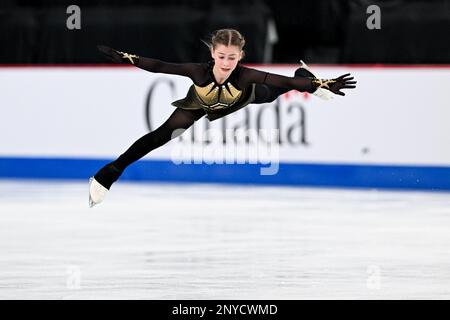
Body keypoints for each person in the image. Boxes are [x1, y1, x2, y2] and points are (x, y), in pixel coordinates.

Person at [89, 28, 356, 207]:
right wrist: (127, 57)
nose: (226, 63)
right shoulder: (199, 72)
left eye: (232, 57)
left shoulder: (245, 75)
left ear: (240, 56)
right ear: (212, 54)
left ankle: (305, 75)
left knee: (276, 91)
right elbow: (160, 66)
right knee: (159, 136)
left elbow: (279, 80)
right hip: (198, 104)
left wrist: (321, 83)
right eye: (221, 57)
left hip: (244, 97)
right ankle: (107, 175)